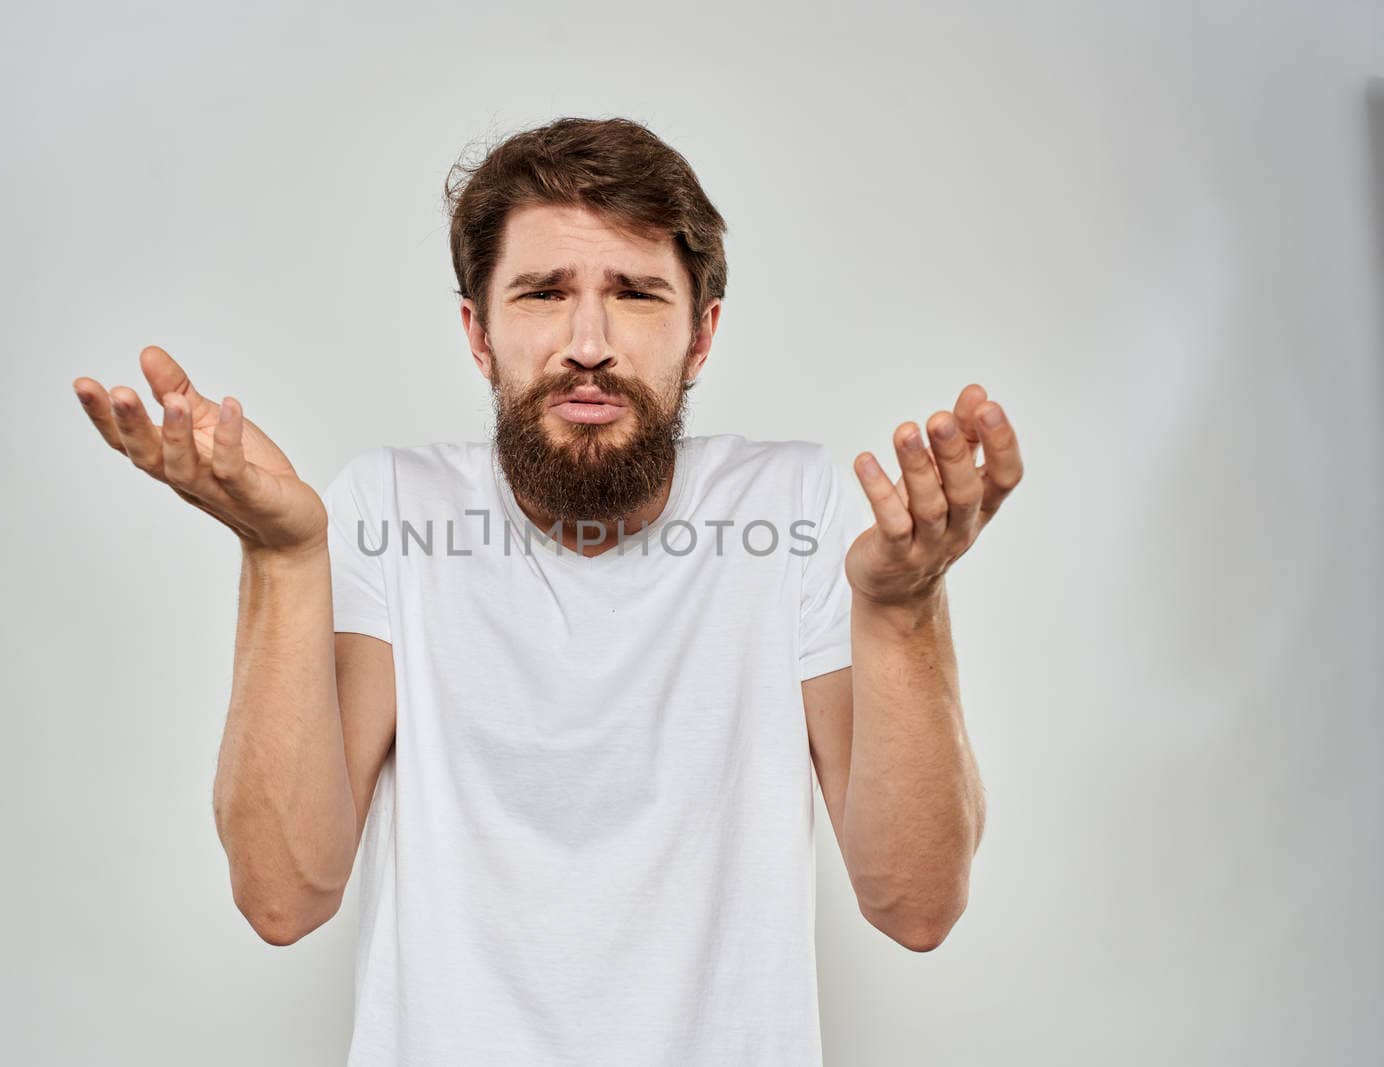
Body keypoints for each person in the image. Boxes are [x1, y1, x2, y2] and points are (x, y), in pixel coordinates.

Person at [72, 116, 1022, 1065]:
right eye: (542, 292)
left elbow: (917, 903)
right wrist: (281, 557)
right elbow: (284, 894)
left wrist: (904, 610)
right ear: (477, 332)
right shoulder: (390, 508)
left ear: (701, 337)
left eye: (638, 292)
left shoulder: (799, 508)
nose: (589, 343)